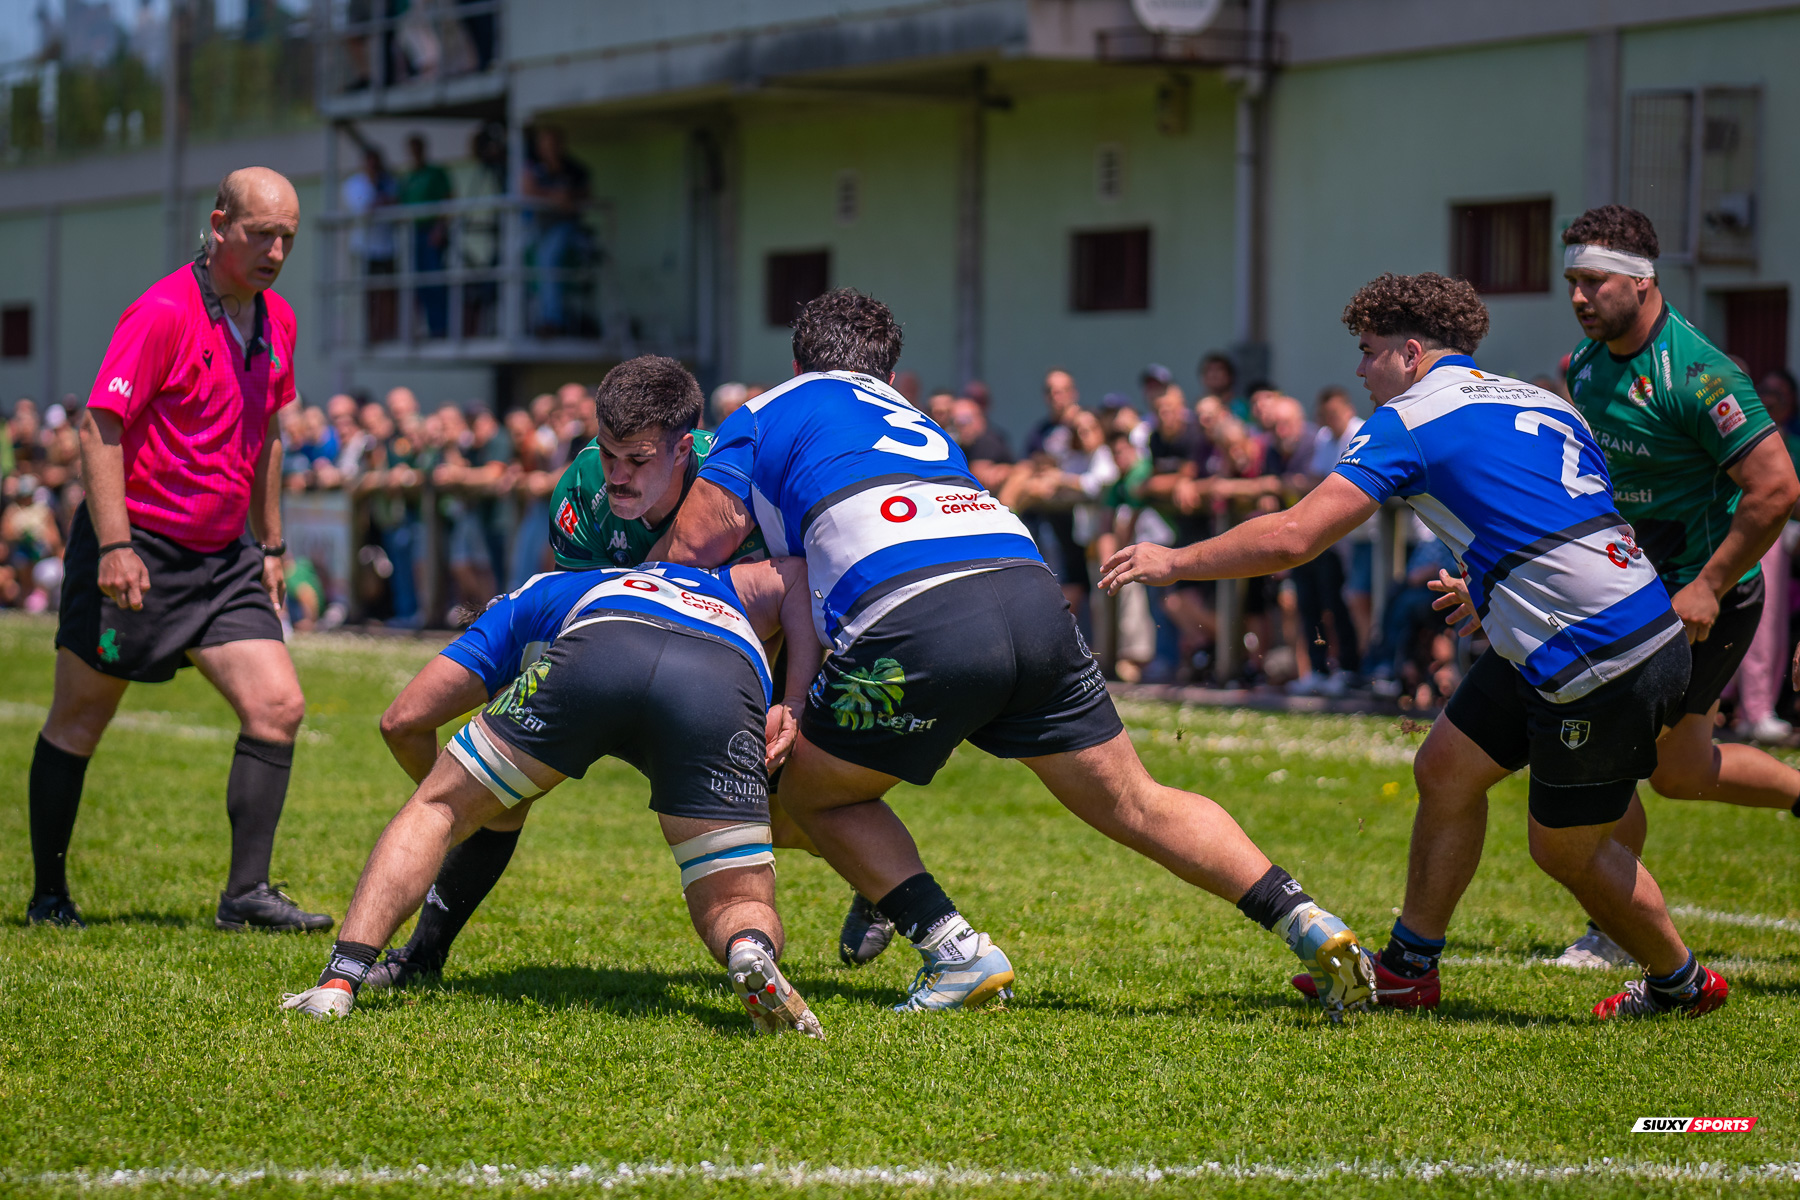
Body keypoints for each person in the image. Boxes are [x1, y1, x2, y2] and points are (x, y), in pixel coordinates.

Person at [658, 288, 1375, 1016]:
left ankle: (953, 950)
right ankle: (1308, 920)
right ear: (889, 373)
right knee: (1137, 799)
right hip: (1030, 594)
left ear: (796, 361)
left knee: (810, 797)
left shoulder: (764, 410)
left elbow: (689, 553)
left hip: (915, 608)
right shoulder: (917, 418)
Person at [1103, 271, 1728, 1021]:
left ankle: (1683, 985)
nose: (1360, 372)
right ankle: (1409, 968)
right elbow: (1566, 511)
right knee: (1445, 768)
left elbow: (1294, 536)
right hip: (1612, 621)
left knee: (1564, 851)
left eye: (1367, 354)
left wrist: (1172, 562)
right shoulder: (1538, 398)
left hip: (1597, 653)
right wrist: (1493, 586)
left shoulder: (1411, 416)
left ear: (1409, 352)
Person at [281, 555, 827, 1038]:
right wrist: (795, 699)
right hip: (722, 666)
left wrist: (457, 800)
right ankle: (747, 948)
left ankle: (339, 982)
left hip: (604, 647)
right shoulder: (714, 578)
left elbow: (402, 720)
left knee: (435, 809)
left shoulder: (521, 605)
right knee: (734, 899)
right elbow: (798, 577)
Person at [28, 168, 330, 932]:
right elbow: (102, 427)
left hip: (224, 554)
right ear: (220, 223)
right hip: (140, 546)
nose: (276, 250)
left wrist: (272, 542)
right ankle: (49, 895)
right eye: (262, 233)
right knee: (79, 721)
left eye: (288, 237)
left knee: (278, 706)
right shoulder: (162, 311)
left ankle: (245, 897)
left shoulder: (278, 322)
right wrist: (117, 545)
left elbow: (265, 440)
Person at [1551, 205, 1800, 968]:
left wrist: (1709, 586)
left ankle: (1615, 930)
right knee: (1682, 774)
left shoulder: (1699, 374)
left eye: (1593, 282)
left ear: (1642, 283)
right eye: (1572, 282)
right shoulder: (1587, 364)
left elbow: (1776, 489)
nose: (1579, 298)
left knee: (1617, 748)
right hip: (1633, 586)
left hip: (1701, 595)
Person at [399, 134, 453, 339]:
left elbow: (448, 200)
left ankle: (440, 327)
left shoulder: (436, 173)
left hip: (431, 233)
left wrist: (440, 228)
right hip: (413, 235)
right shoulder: (409, 177)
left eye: (417, 148)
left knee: (435, 281)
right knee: (418, 284)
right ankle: (426, 328)